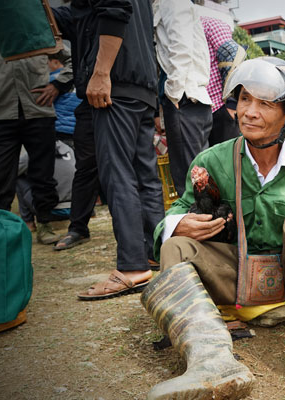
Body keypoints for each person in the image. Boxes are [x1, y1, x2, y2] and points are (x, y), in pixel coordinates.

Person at [142, 57, 285, 400]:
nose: (249, 112)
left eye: (265, 103)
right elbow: (177, 211)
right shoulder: (211, 161)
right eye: (245, 100)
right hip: (234, 278)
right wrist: (179, 224)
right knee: (174, 246)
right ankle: (212, 362)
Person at [53, 0, 165, 299]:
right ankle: (156, 254)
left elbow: (115, 8)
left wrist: (101, 73)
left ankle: (132, 267)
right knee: (145, 176)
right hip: (141, 83)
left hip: (116, 82)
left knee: (118, 174)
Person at [0, 33, 71, 245]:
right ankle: (0, 230)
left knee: (43, 173)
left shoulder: (32, 26)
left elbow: (72, 58)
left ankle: (45, 223)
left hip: (38, 111)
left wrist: (58, 85)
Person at [154, 0, 213, 197]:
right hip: (193, 97)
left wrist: (173, 92)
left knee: (189, 179)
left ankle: (200, 223)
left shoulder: (171, 2)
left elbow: (181, 48)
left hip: (185, 97)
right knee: (199, 175)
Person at [202, 15, 245, 147]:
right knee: (204, 162)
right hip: (199, 107)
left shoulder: (208, 23)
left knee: (226, 161)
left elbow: (233, 55)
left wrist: (231, 104)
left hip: (219, 106)